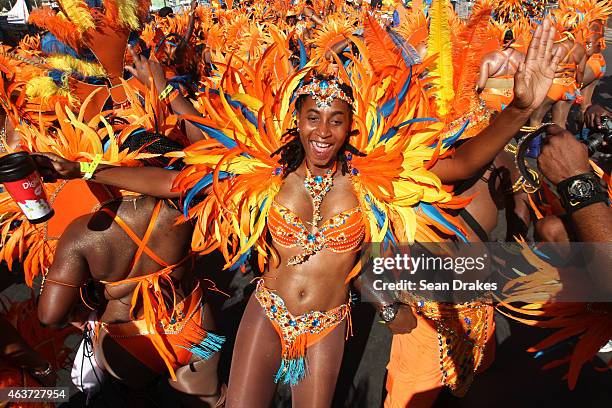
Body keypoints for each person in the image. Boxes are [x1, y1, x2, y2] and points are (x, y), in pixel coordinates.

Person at [35, 18, 561, 408]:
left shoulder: (375, 179)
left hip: (328, 322)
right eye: (314, 118)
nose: (324, 131)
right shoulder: (264, 175)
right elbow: (175, 181)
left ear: (350, 126)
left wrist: (518, 109)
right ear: (298, 121)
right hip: (267, 313)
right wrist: (88, 171)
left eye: (336, 119)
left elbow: (464, 161)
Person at [37, 135, 225, 407]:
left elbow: (50, 315)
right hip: (191, 321)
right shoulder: (186, 202)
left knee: (140, 399)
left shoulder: (81, 234)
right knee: (211, 400)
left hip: (127, 341)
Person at [529, 23, 586, 129]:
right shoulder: (580, 48)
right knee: (560, 123)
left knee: (535, 119)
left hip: (553, 86)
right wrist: (578, 87)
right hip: (570, 87)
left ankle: (534, 146)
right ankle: (559, 145)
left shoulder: (553, 46)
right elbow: (581, 71)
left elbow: (540, 68)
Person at [477, 29, 526, 112]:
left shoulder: (488, 58)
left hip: (491, 98)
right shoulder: (523, 57)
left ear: (500, 37)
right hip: (514, 98)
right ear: (515, 39)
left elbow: (481, 85)